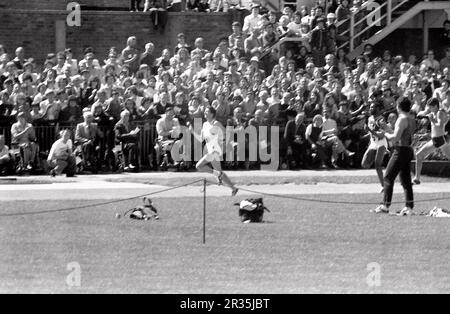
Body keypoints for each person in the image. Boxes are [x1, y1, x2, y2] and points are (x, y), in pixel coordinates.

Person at [372, 98, 416, 216]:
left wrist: (385, 133)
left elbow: (395, 138)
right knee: (406, 180)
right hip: (408, 150)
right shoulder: (411, 119)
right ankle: (409, 207)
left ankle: (385, 206)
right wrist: (386, 128)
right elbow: (401, 134)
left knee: (388, 177)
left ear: (399, 106)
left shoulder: (401, 119)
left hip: (400, 150)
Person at [191, 106, 238, 196]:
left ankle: (231, 186)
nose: (205, 113)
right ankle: (233, 188)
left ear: (212, 114)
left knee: (200, 166)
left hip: (215, 150)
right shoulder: (205, 124)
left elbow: (226, 133)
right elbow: (201, 139)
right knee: (215, 171)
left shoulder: (216, 123)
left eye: (207, 111)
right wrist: (192, 131)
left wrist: (225, 143)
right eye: (204, 111)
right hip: (210, 150)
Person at [413, 98, 450, 184]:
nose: (429, 108)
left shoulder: (440, 113)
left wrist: (432, 120)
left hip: (440, 140)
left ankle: (417, 178)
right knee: (419, 155)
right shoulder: (433, 112)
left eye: (431, 107)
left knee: (419, 155)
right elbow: (422, 113)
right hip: (435, 140)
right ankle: (417, 178)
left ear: (435, 106)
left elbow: (440, 126)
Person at [361, 101, 388, 192]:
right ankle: (382, 156)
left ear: (377, 109)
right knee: (364, 164)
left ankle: (383, 185)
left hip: (381, 142)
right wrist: (367, 135)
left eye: (372, 107)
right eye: (370, 107)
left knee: (377, 164)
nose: (370, 109)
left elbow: (381, 136)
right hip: (373, 143)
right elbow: (370, 133)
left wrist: (370, 130)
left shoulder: (381, 120)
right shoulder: (370, 118)